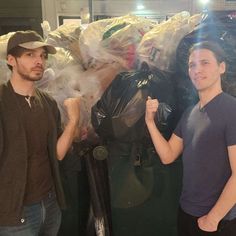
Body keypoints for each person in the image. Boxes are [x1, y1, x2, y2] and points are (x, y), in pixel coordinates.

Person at [145, 41, 236, 236]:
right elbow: (168, 156)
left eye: (205, 63)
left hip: (217, 221)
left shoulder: (232, 110)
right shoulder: (190, 113)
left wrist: (213, 218)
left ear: (221, 67)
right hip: (186, 212)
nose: (197, 70)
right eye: (192, 65)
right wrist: (150, 123)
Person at [0, 30, 80, 236]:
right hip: (15, 212)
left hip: (50, 205)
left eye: (43, 56)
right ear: (11, 60)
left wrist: (73, 122)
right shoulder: (2, 101)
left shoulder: (48, 103)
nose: (39, 61)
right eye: (30, 55)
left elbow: (57, 154)